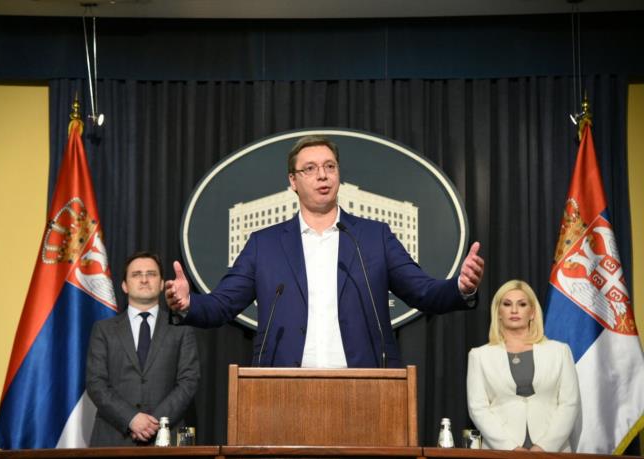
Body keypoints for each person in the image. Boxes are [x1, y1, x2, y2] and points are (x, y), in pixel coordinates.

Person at [166, 135, 484, 368]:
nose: (323, 174)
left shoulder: (373, 237)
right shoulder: (265, 244)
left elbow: (423, 292)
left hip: (366, 383)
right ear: (293, 181)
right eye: (310, 168)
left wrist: (460, 287)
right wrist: (188, 303)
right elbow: (222, 304)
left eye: (330, 166)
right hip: (284, 385)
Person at [86, 251, 200, 446]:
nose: (144, 280)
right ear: (124, 285)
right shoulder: (103, 330)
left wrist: (155, 422)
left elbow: (189, 381)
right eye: (136, 274)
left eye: (151, 274)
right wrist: (131, 418)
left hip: (165, 438)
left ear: (162, 283)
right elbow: (95, 383)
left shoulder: (181, 329)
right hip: (113, 438)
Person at [466, 279, 580, 452]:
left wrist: (544, 447)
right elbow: (478, 409)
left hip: (552, 451)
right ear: (498, 312)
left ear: (532, 312)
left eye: (522, 304)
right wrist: (510, 448)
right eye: (507, 304)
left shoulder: (560, 351)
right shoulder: (479, 356)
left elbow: (570, 404)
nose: (514, 310)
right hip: (501, 452)